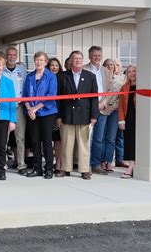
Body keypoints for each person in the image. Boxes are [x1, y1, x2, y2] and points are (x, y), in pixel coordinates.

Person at [56, 50, 98, 180]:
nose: (78, 60)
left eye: (80, 58)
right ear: (70, 61)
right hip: (67, 115)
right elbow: (57, 98)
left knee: (83, 145)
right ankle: (65, 169)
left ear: (83, 60)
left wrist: (93, 116)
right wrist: (58, 116)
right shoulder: (62, 76)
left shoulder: (90, 76)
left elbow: (94, 98)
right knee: (67, 144)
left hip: (84, 115)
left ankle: (84, 170)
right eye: (75, 58)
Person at [23, 52, 58, 179]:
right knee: (35, 141)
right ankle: (37, 168)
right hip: (32, 113)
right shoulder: (29, 76)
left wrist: (35, 108)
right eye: (37, 60)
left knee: (47, 141)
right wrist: (29, 110)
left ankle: (48, 168)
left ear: (45, 61)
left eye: (41, 60)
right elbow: (25, 95)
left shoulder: (51, 76)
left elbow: (51, 95)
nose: (39, 62)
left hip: (46, 113)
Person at [84, 46, 113, 175]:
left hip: (103, 108)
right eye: (94, 55)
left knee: (99, 138)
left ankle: (95, 164)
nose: (97, 58)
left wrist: (103, 103)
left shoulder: (106, 71)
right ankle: (85, 165)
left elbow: (111, 90)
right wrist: (93, 104)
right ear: (89, 56)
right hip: (88, 109)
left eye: (99, 55)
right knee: (86, 138)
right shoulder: (84, 69)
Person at [2, 47, 28, 175]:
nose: (11, 57)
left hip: (19, 107)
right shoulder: (1, 69)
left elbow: (26, 87)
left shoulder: (22, 70)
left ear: (16, 56)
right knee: (4, 137)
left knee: (20, 137)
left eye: (14, 55)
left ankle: (21, 164)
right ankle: (3, 164)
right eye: (9, 55)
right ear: (6, 56)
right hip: (5, 108)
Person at [99, 58, 125, 172]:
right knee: (101, 137)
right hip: (102, 109)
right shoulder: (101, 77)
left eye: (112, 65)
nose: (110, 66)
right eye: (107, 64)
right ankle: (101, 161)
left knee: (111, 137)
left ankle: (109, 161)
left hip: (114, 110)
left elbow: (122, 96)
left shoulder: (121, 79)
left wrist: (112, 106)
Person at [118, 65, 137, 179]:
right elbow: (120, 106)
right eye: (129, 72)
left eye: (134, 71)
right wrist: (121, 120)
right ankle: (130, 167)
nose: (132, 73)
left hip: (142, 118)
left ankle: (135, 166)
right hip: (128, 118)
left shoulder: (144, 85)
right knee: (130, 142)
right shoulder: (124, 87)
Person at [46, 58, 64, 174]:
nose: (54, 67)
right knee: (47, 140)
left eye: (56, 65)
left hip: (58, 113)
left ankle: (58, 164)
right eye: (52, 65)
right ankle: (48, 164)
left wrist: (59, 116)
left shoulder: (62, 79)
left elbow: (62, 101)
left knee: (58, 141)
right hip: (46, 113)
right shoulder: (45, 78)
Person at [113, 59, 129, 168]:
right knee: (111, 136)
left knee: (120, 136)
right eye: (114, 65)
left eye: (118, 65)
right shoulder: (110, 78)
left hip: (123, 110)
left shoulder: (125, 79)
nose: (116, 67)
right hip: (112, 110)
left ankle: (120, 158)